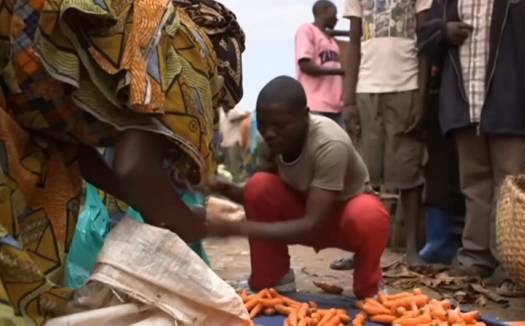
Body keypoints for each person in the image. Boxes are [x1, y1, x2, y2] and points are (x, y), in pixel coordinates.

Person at [0, 0, 244, 324]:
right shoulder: (187, 50)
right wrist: (181, 218)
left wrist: (157, 209)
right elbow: (135, 168)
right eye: (215, 101)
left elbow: (83, 156)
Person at [207, 76, 389, 299]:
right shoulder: (270, 141)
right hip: (305, 213)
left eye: (280, 125)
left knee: (368, 214)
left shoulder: (329, 144)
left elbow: (313, 225)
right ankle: (272, 278)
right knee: (259, 184)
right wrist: (218, 187)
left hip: (342, 220)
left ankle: (370, 285)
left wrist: (238, 228)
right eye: (263, 124)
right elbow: (258, 196)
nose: (270, 132)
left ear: (305, 116)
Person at [419, 0, 525, 297]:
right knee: (474, 186)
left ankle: (513, 270)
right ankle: (475, 259)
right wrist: (444, 31)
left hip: (512, 105)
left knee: (511, 190)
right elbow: (424, 37)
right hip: (465, 107)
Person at [330, 0, 432, 270]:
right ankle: (360, 248)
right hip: (366, 90)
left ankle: (411, 250)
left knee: (408, 171)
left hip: (407, 87)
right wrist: (349, 100)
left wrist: (421, 100)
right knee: (364, 175)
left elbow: (425, 43)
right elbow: (354, 45)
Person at [419, 64, 465, 265]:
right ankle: (438, 243)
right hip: (437, 92)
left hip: (481, 96)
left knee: (476, 177)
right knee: (438, 170)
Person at [295, 0, 344, 125]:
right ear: (324, 10)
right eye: (335, 13)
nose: (337, 19)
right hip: (315, 106)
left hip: (337, 107)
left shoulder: (331, 41)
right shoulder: (306, 30)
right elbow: (305, 65)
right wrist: (341, 72)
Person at [220, 106, 249, 182]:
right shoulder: (223, 113)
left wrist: (236, 118)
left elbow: (245, 115)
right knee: (229, 166)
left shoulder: (233, 111)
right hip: (225, 143)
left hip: (233, 143)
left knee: (235, 166)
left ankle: (238, 183)